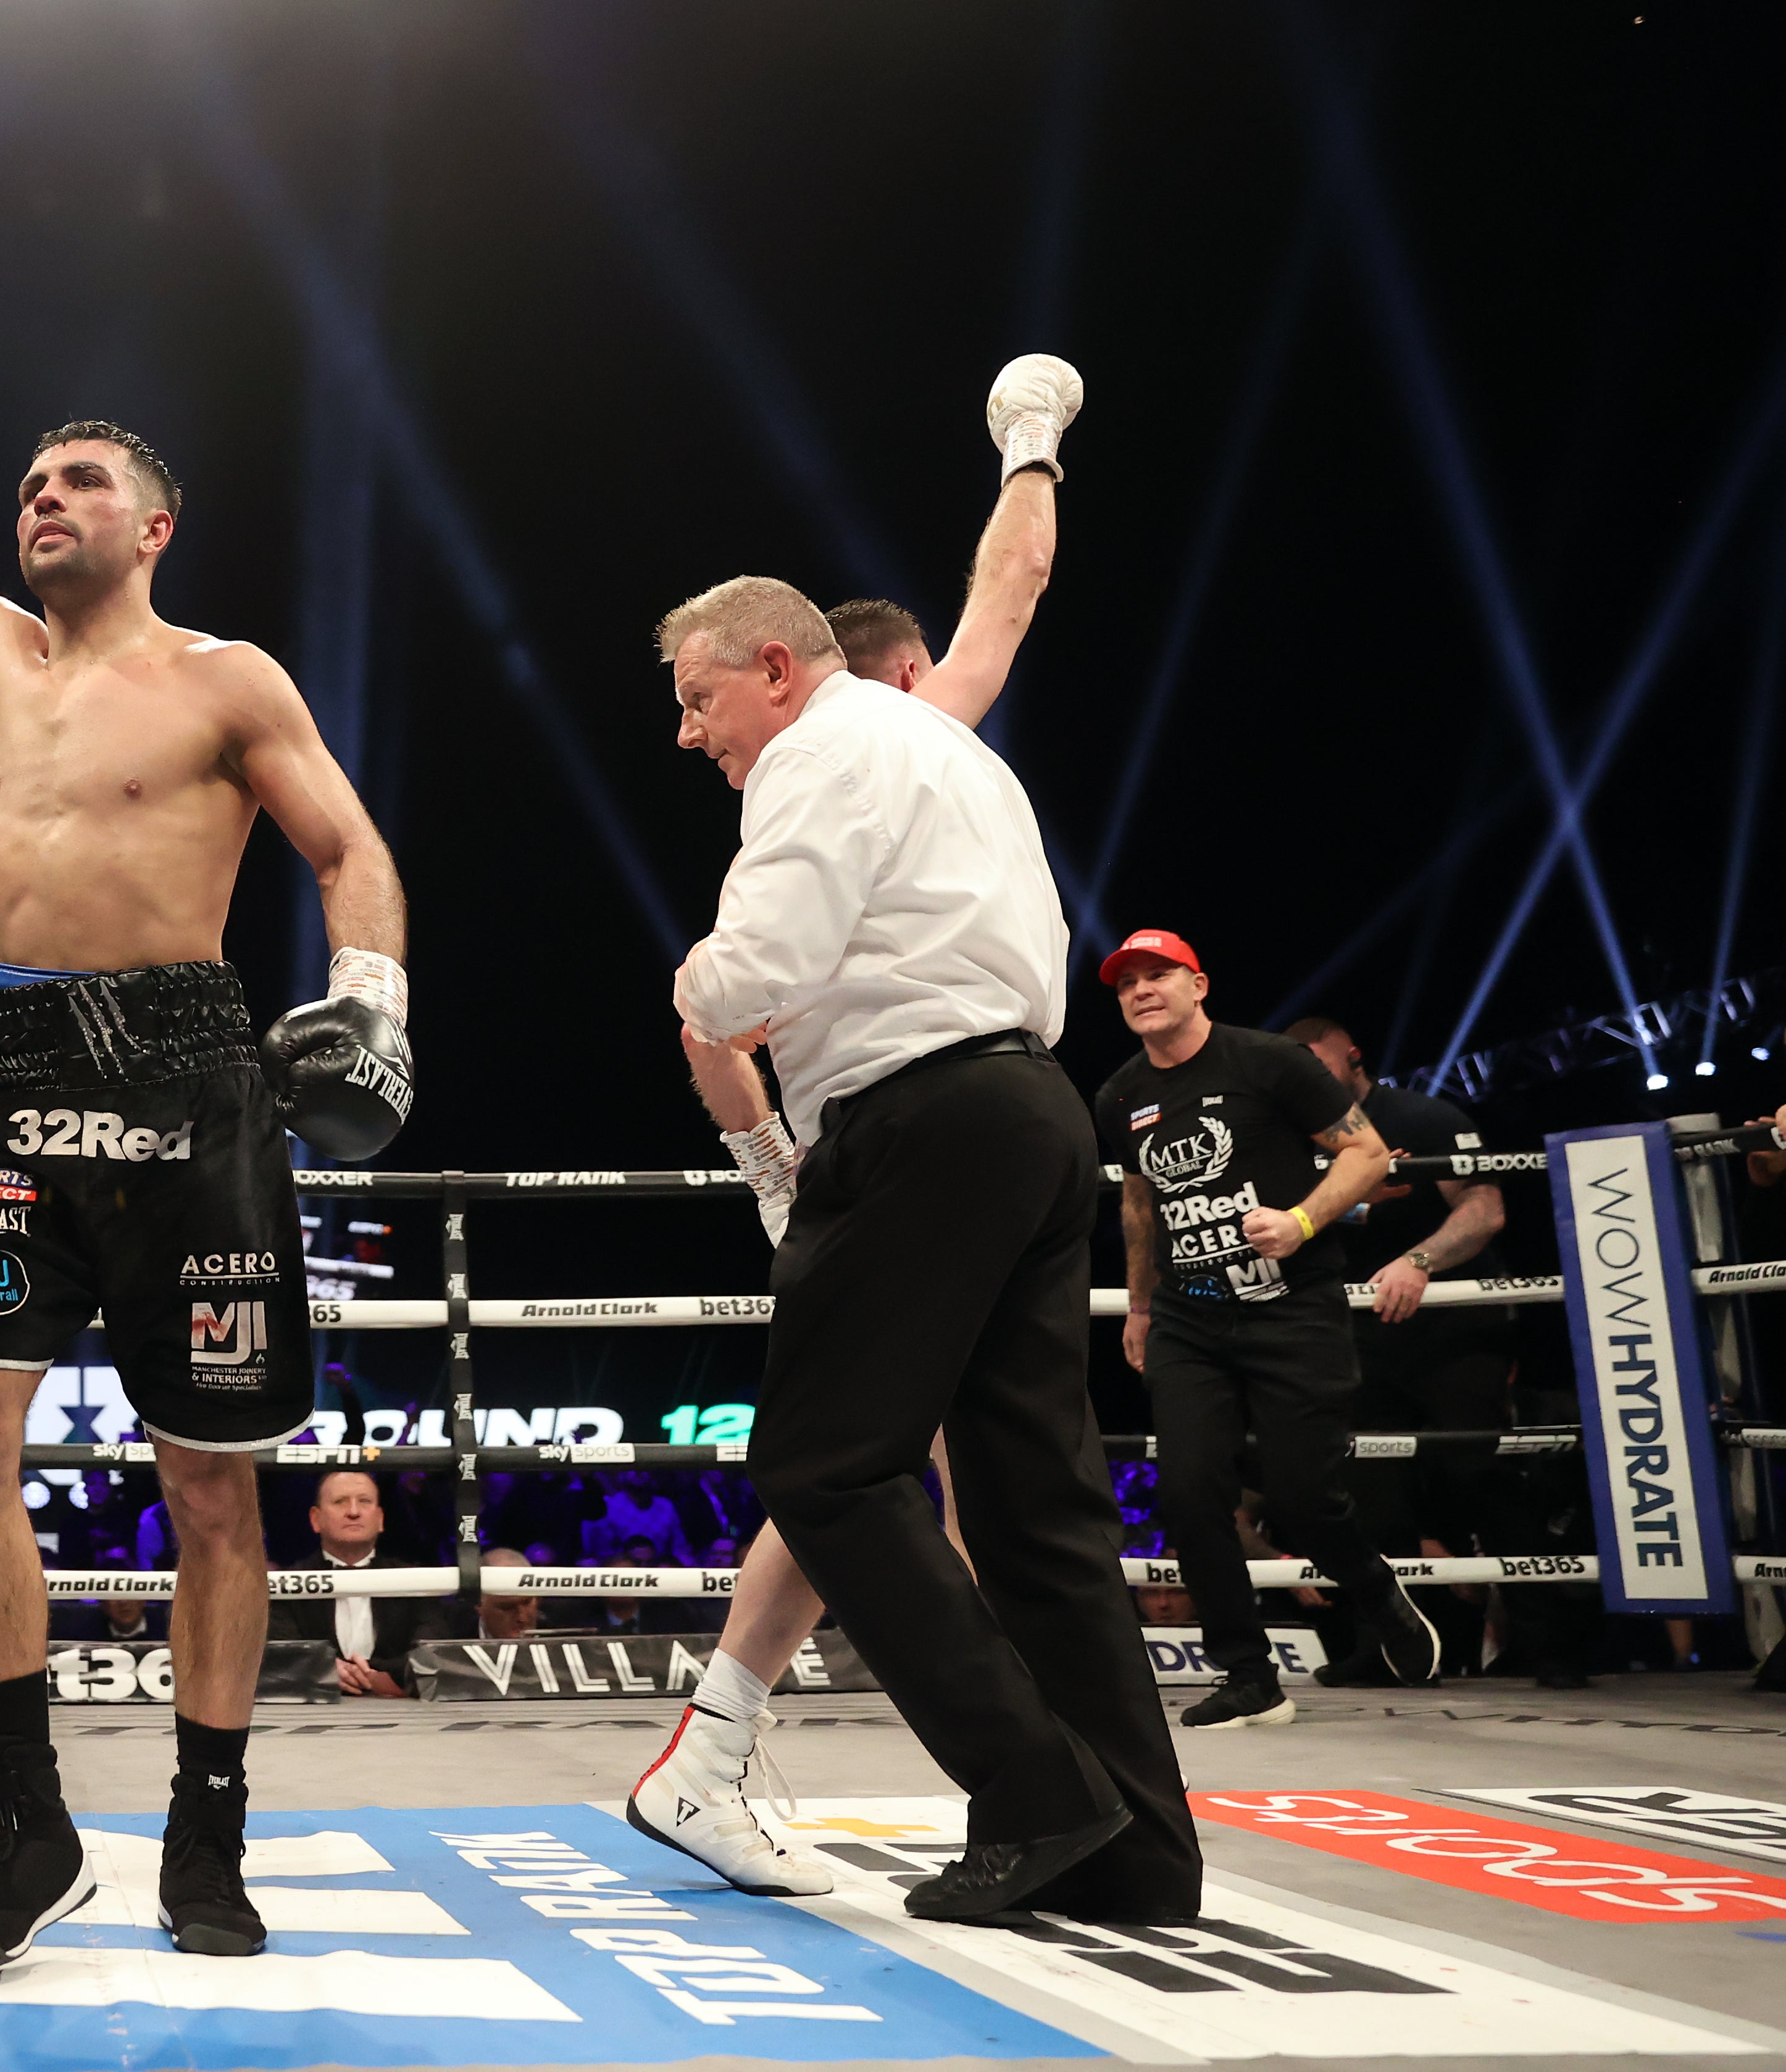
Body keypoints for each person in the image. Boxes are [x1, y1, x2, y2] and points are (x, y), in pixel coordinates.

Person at [0, 191, 411, 1980]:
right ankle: (20, 1821)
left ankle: (205, 1821)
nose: (43, 497)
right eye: (35, 479)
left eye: (81, 479)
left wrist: (371, 1000)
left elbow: (349, 847)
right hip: (16, 1082)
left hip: (191, 1083)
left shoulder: (225, 677)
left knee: (213, 1485)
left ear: (154, 524)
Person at [645, 357, 1203, 1928]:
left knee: (824, 1468)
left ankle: (1038, 1796)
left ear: (773, 665)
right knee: (1035, 1496)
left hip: (915, 1116)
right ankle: (1140, 1851)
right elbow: (1011, 585)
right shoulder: (947, 740)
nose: (690, 737)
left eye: (695, 699)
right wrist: (1031, 444)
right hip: (1029, 1112)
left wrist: (691, 976)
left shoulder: (821, 750)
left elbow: (759, 969)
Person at [1093, 933, 1442, 1731]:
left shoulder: (1269, 1062)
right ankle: (1247, 1674)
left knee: (1301, 1495)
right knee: (1185, 1491)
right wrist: (1139, 1308)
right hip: (1187, 1316)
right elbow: (1139, 1204)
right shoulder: (1116, 1095)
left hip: (1291, 1308)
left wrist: (1300, 1219)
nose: (1142, 990)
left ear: (1197, 984)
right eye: (1127, 984)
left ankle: (1372, 1588)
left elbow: (1367, 1152)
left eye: (1158, 976)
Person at [1284, 1016, 1519, 1637]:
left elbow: (1484, 1207)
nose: (1307, 1078)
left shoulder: (1424, 1117)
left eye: (1317, 1062)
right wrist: (1361, 1202)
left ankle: (1545, 1642)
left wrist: (1420, 1260)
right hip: (1356, 1330)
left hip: (1452, 1326)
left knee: (1476, 1469)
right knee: (1369, 1494)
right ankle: (1395, 1646)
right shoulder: (1294, 1137)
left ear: (1353, 1056)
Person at [265, 1471, 438, 1697]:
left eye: (364, 1502)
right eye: (340, 1502)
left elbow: (432, 1649)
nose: (354, 1513)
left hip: (400, 1710)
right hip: (310, 1710)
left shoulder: (416, 1581)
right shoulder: (286, 1584)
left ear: (380, 1519)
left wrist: (375, 1675)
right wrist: (324, 1670)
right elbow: (282, 1652)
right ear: (316, 1520)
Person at [475, 1549, 545, 1642]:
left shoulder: (565, 1627)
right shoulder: (453, 1636)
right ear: (479, 1605)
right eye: (507, 1607)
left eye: (527, 1602)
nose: (522, 1618)